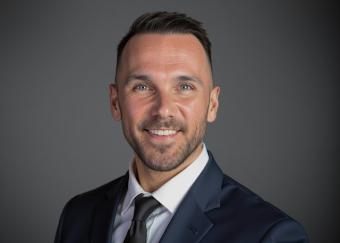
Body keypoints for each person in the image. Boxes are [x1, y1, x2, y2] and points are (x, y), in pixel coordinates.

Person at [54, 11, 309, 243]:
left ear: (212, 104)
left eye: (184, 87)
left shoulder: (271, 235)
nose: (163, 109)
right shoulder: (78, 216)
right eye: (142, 87)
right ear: (115, 102)